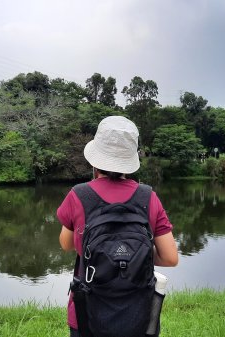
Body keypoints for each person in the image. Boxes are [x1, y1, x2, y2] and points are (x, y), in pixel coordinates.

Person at [57, 115, 179, 337]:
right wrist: (133, 255)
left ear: (95, 160)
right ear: (129, 162)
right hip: (138, 314)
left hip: (87, 312)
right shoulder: (148, 197)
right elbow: (170, 258)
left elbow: (66, 244)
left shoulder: (78, 195)